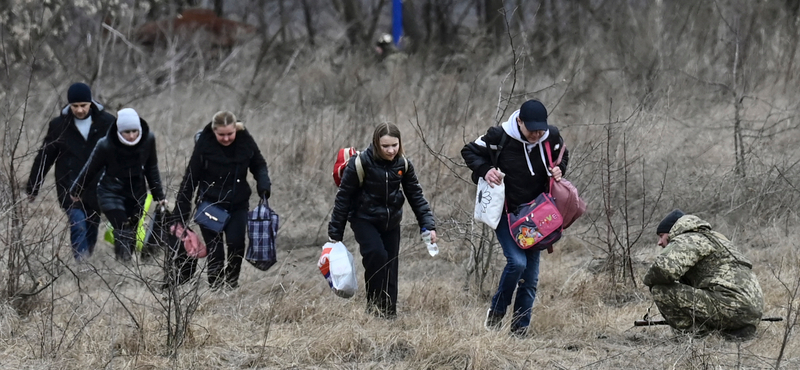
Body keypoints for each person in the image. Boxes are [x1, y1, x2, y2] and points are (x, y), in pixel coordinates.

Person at [461, 99, 569, 336]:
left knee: (529, 279)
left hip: (536, 216)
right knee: (517, 263)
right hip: (505, 213)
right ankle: (497, 311)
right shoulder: (498, 136)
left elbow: (561, 155)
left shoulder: (551, 137)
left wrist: (561, 169)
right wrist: (485, 170)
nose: (537, 134)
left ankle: (519, 332)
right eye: (532, 130)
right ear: (519, 121)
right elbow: (468, 151)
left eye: (540, 129)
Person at [328, 122, 436, 319]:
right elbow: (343, 197)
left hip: (391, 221)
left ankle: (389, 314)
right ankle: (374, 308)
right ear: (376, 144)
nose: (391, 150)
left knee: (391, 265)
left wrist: (427, 225)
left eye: (394, 145)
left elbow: (416, 195)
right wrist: (335, 234)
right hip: (363, 219)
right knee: (377, 256)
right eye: (385, 146)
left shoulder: (403, 164)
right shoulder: (360, 163)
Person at [173, 111, 271, 290]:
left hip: (237, 203)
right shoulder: (204, 146)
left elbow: (259, 164)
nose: (226, 138)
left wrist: (263, 183)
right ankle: (216, 287)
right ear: (214, 131)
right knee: (215, 250)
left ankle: (232, 282)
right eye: (221, 135)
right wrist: (182, 208)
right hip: (210, 204)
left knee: (236, 244)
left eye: (230, 134)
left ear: (236, 129)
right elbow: (190, 178)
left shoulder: (245, 141)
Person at [27, 83, 115, 262]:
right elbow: (45, 157)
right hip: (69, 184)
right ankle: (80, 264)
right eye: (75, 106)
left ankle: (86, 258)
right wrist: (33, 187)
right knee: (78, 224)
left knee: (91, 225)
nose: (80, 110)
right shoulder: (59, 126)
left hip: (96, 186)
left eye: (83, 105)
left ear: (90, 103)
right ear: (69, 105)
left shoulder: (107, 122)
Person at [643, 209, 764, 340]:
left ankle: (696, 338)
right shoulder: (716, 239)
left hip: (730, 305)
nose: (659, 242)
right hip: (751, 311)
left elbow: (663, 269)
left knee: (661, 290)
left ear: (672, 232)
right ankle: (735, 330)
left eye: (662, 236)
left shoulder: (689, 238)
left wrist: (647, 282)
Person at [70, 108, 166, 263]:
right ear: (120, 131)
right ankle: (124, 264)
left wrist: (159, 195)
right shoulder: (106, 145)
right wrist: (76, 190)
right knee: (122, 226)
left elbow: (151, 167)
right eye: (127, 132)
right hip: (110, 191)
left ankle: (127, 264)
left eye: (135, 131)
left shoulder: (148, 139)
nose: (132, 135)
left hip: (136, 191)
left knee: (133, 229)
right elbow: (90, 168)